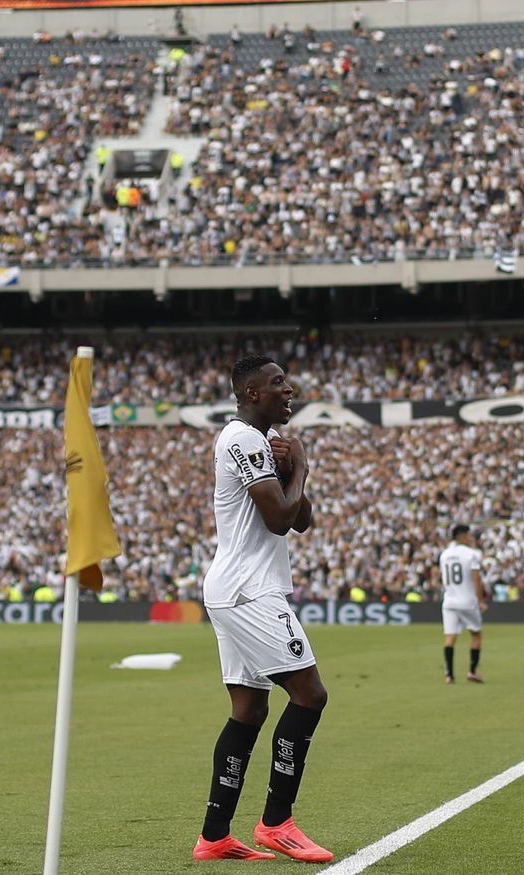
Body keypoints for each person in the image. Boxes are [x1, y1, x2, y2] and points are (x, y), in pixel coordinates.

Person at [193, 356, 332, 864]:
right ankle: (276, 822)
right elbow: (278, 518)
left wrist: (292, 469)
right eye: (278, 383)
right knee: (310, 694)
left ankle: (214, 836)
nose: (289, 389)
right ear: (252, 393)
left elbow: (301, 519)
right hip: (250, 590)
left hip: (237, 588)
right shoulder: (243, 439)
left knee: (249, 710)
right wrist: (303, 468)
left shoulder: (261, 440)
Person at [439, 524, 489, 684]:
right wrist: (481, 600)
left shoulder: (444, 555)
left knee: (450, 637)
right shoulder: (471, 554)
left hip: (449, 601)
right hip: (467, 601)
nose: (471, 538)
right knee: (476, 634)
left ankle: (449, 675)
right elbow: (476, 579)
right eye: (468, 535)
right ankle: (472, 671)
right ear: (462, 536)